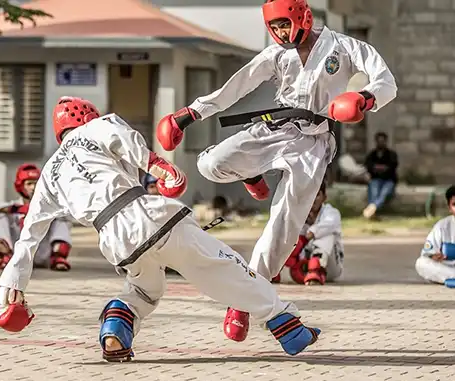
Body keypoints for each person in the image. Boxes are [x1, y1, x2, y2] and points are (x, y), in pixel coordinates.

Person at [0, 96, 322, 362]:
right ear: (87, 118)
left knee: (144, 290)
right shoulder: (98, 127)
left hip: (114, 239)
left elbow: (29, 236)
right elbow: (123, 140)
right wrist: (159, 167)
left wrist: (11, 288)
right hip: (145, 213)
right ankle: (287, 326)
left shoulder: (49, 173)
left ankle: (115, 331)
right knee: (222, 264)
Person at [155, 0, 397, 342]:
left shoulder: (344, 47)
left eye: (285, 25)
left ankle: (243, 299)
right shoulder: (275, 55)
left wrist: (365, 98)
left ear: (303, 17)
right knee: (210, 163)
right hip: (276, 129)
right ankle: (250, 173)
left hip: (313, 145)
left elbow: (386, 81)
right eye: (275, 27)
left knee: (283, 228)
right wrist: (189, 114)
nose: (281, 33)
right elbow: (236, 87)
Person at [0, 163, 73, 271]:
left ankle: (58, 256)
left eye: (36, 183)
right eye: (29, 183)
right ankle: (3, 255)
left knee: (61, 219)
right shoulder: (13, 206)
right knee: (0, 216)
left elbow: (69, 214)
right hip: (15, 255)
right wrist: (18, 209)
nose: (33, 187)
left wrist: (50, 211)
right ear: (20, 186)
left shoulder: (49, 206)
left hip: (42, 256)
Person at [273, 183, 344, 285]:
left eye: (317, 195)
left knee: (327, 235)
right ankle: (274, 271)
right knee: (285, 235)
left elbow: (329, 225)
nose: (313, 199)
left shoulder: (331, 212)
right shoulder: (298, 215)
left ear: (324, 197)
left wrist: (304, 238)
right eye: (310, 195)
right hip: (303, 267)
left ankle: (316, 269)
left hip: (330, 267)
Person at [363, 132, 398, 219]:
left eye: (383, 141)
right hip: (375, 179)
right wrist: (382, 168)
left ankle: (372, 207)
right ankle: (373, 212)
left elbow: (391, 167)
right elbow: (369, 166)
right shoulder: (372, 154)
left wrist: (378, 168)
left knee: (384, 193)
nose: (381, 143)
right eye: (379, 141)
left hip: (389, 180)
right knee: (374, 191)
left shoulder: (391, 154)